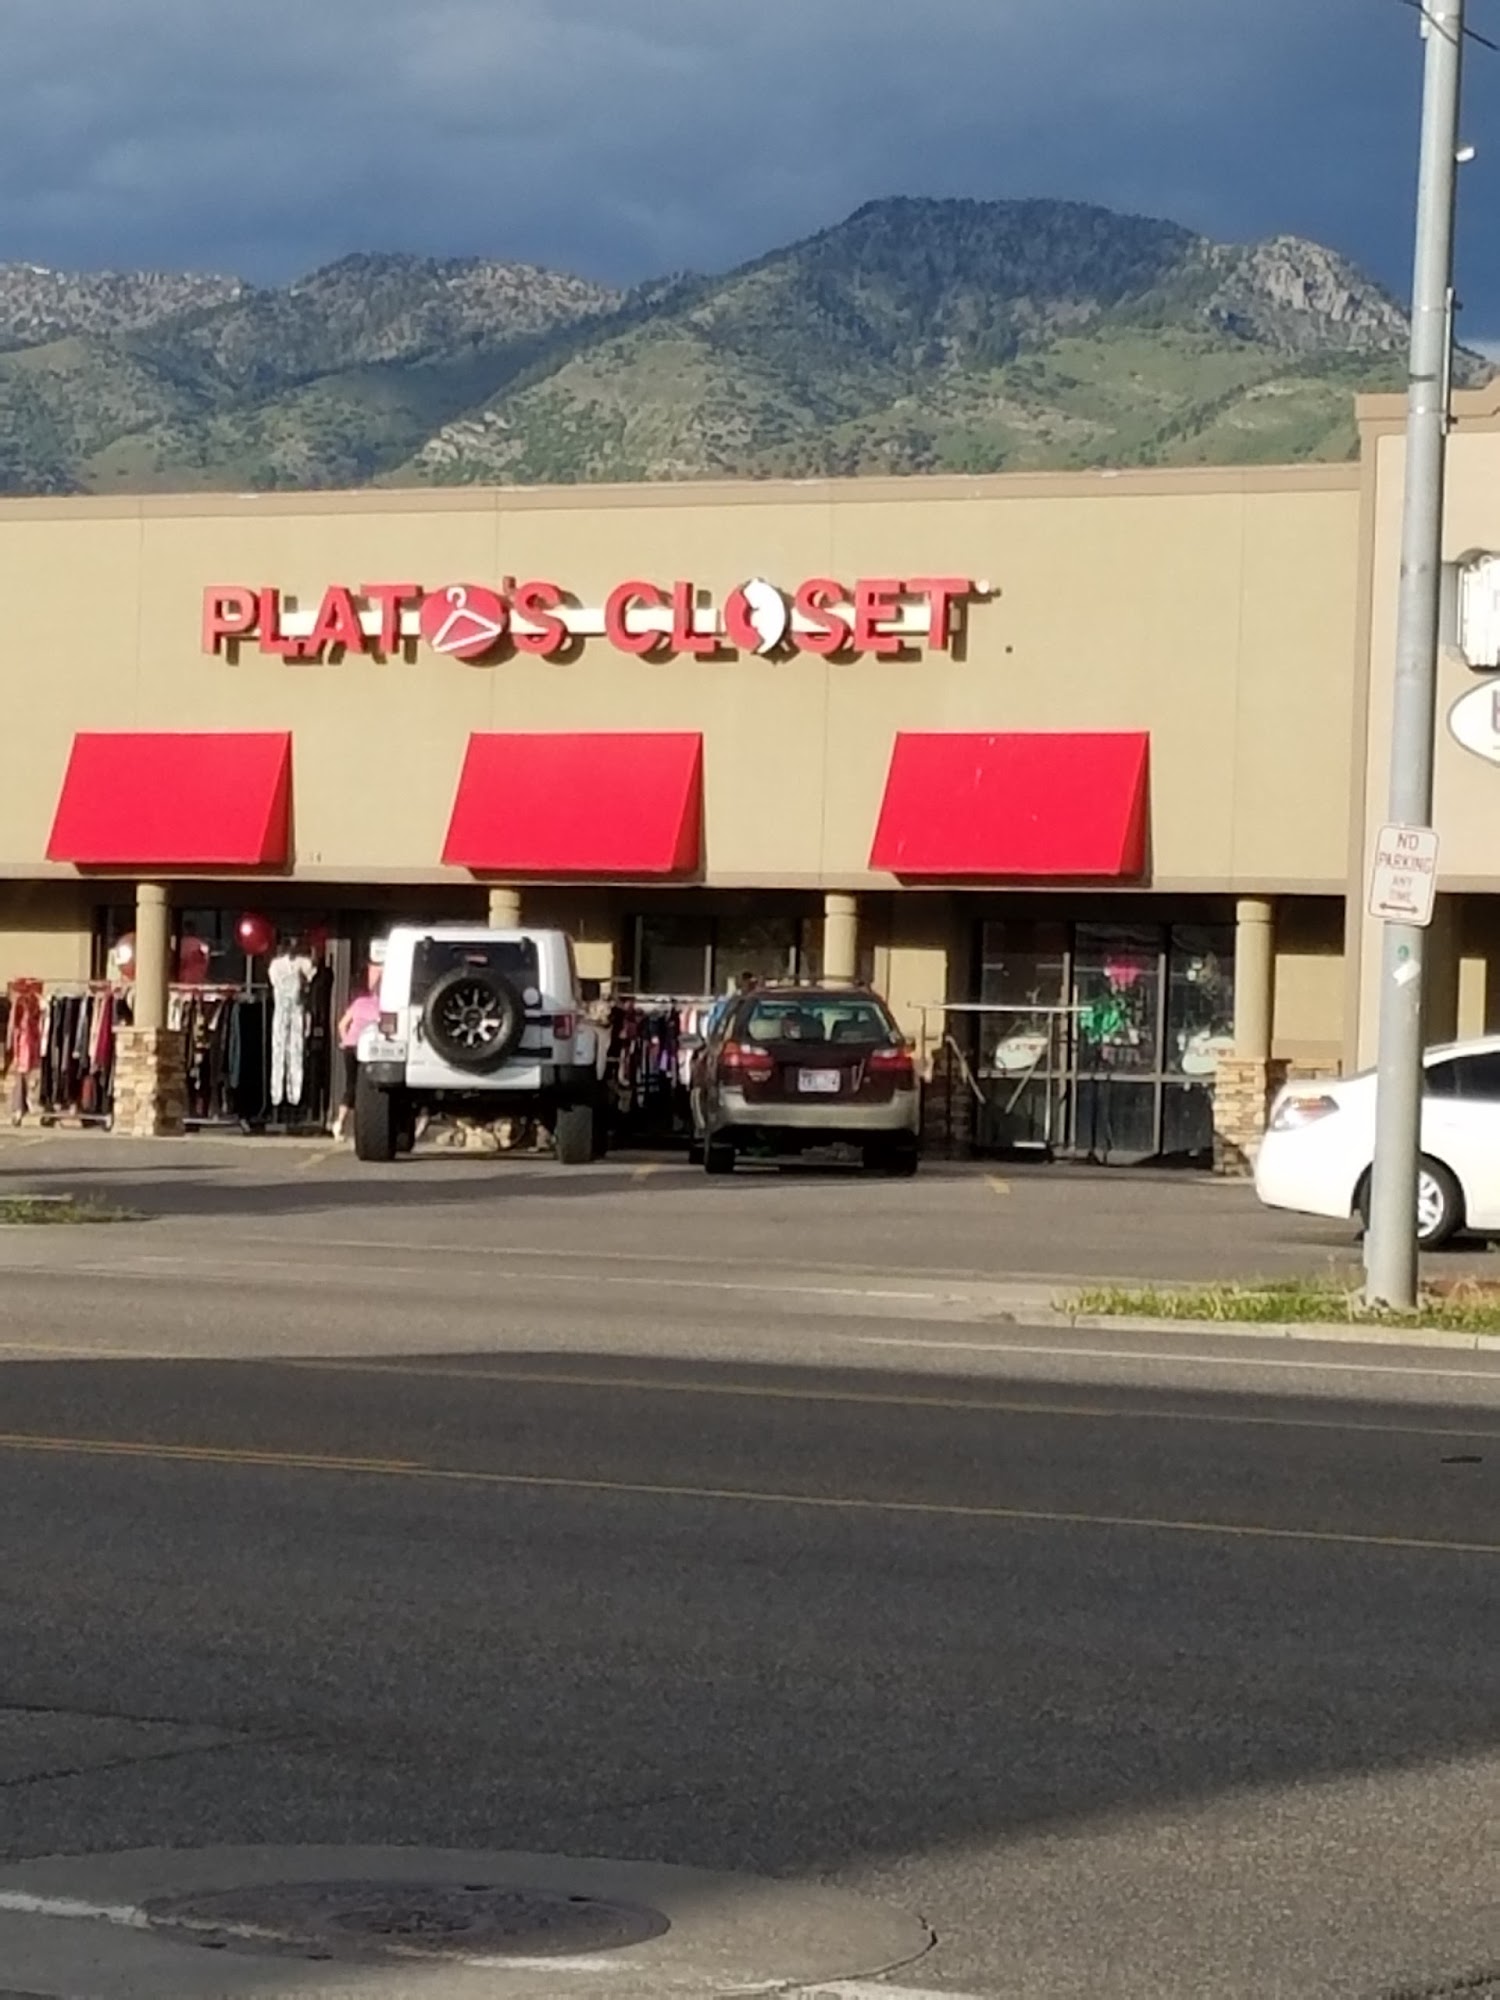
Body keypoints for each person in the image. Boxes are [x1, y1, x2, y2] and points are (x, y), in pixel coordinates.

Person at [332, 962, 381, 1141]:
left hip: (350, 1045)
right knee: (368, 1087)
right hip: (367, 1050)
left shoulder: (359, 1002)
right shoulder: (382, 1006)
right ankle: (364, 1126)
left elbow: (342, 1024)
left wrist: (345, 1040)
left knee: (351, 1085)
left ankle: (340, 1123)